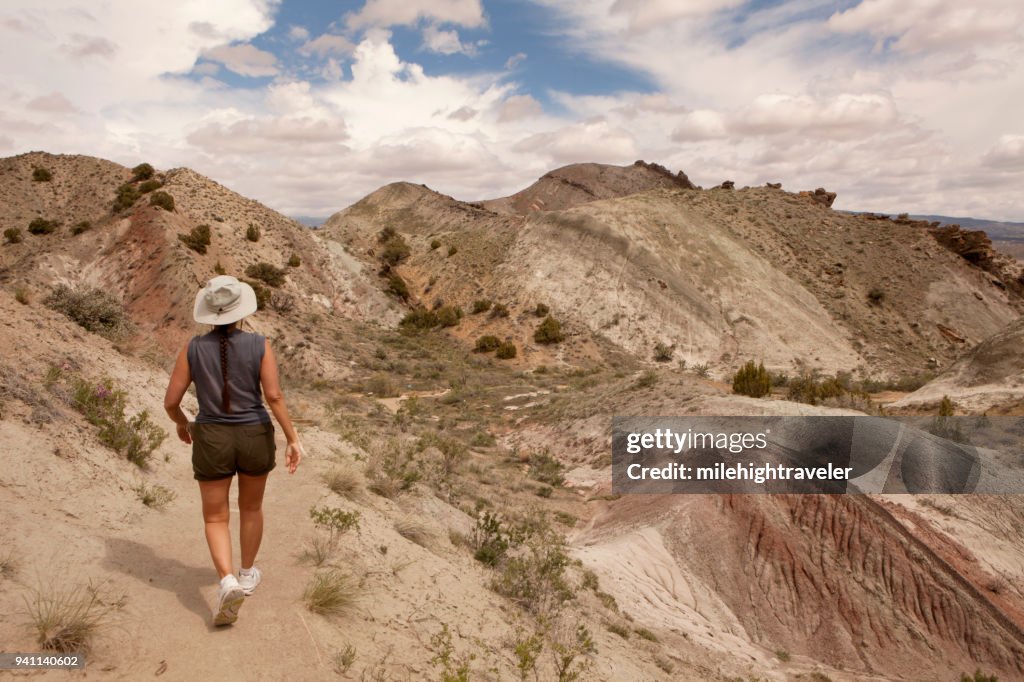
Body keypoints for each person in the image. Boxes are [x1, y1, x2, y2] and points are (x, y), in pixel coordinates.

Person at [163, 275, 302, 626]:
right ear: (241, 311)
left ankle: (225, 580)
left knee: (215, 517)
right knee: (251, 507)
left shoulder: (192, 349)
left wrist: (183, 423)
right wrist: (292, 438)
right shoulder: (260, 344)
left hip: (211, 437)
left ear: (209, 313)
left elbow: (170, 402)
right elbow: (274, 397)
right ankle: (246, 574)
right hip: (254, 434)